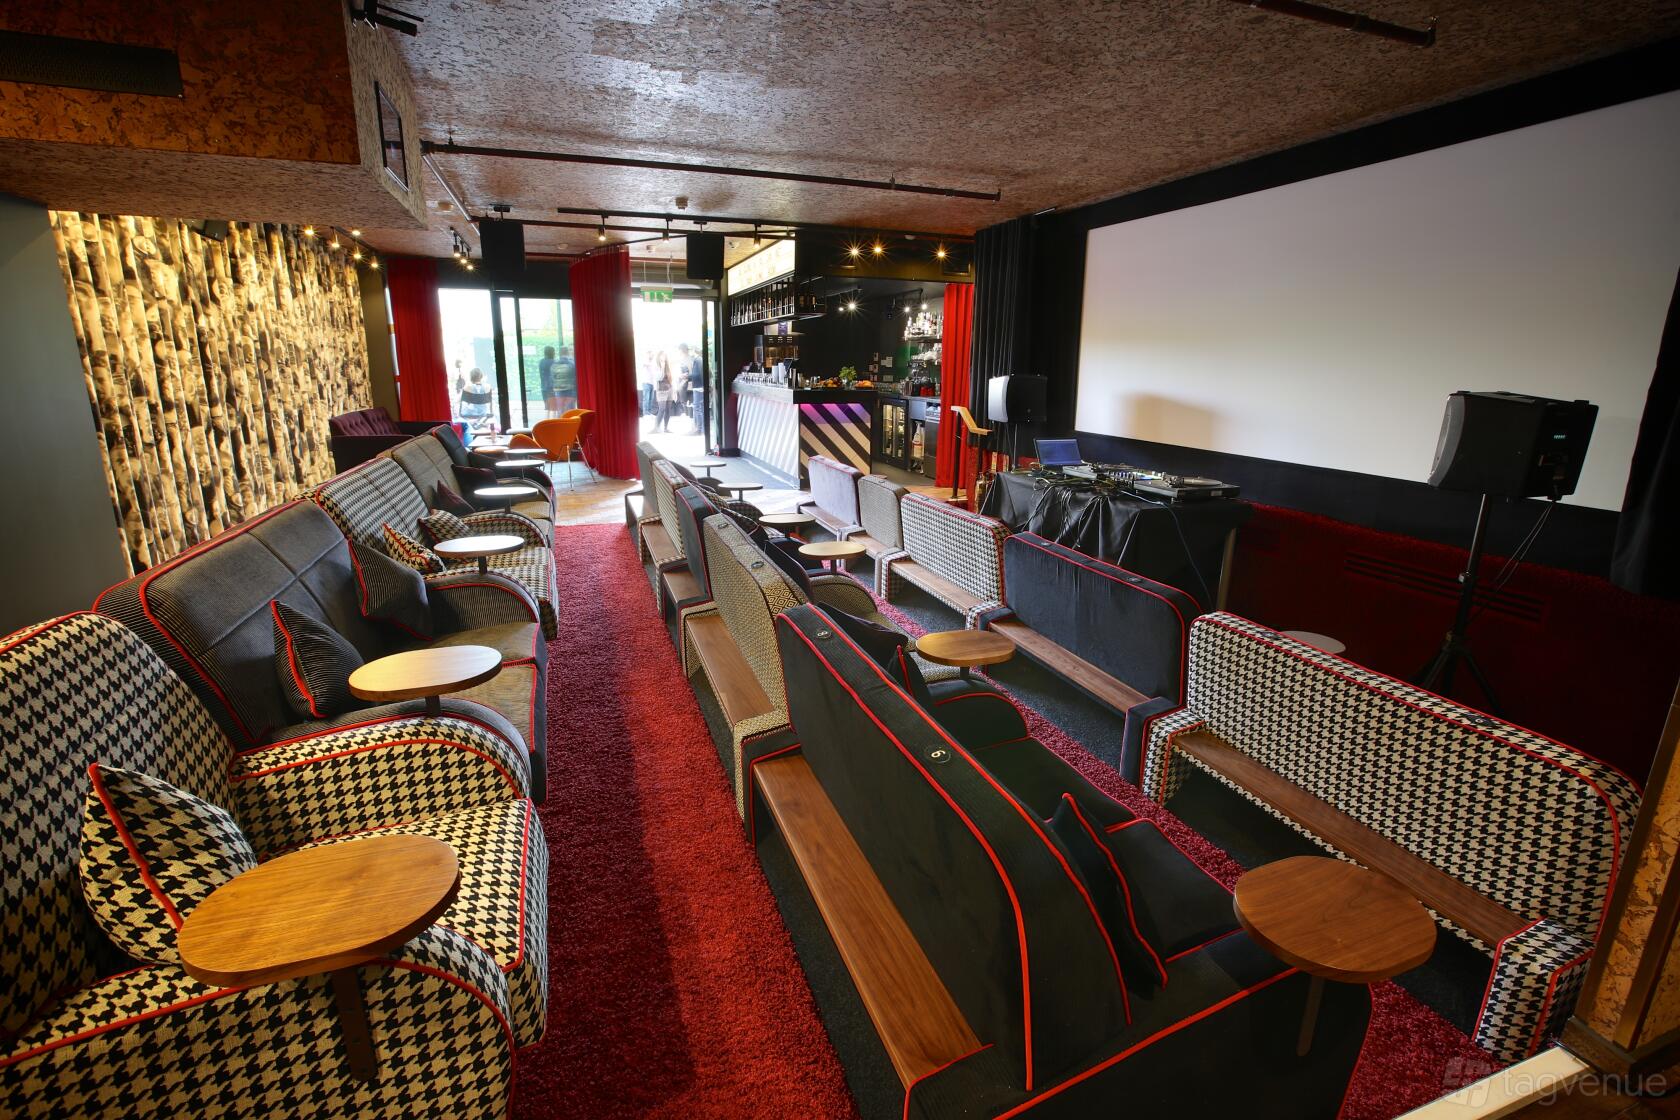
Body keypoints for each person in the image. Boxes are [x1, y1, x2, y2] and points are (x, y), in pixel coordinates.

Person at [654, 351, 674, 433]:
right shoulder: (657, 366)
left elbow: (671, 379)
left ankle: (666, 428)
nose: (663, 357)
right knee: (662, 409)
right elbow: (659, 378)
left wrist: (674, 390)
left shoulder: (668, 366)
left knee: (668, 410)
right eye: (662, 356)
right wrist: (662, 368)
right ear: (658, 357)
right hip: (661, 391)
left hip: (669, 389)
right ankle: (656, 427)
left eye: (664, 356)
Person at [554, 345, 578, 412]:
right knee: (570, 410)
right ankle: (570, 422)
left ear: (560, 353)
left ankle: (561, 421)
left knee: (560, 410)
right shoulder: (572, 363)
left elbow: (553, 377)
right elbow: (575, 376)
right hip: (570, 389)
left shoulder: (555, 363)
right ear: (567, 352)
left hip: (558, 390)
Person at [537, 346, 558, 417]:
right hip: (552, 387)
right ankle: (553, 423)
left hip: (543, 387)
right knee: (554, 408)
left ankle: (547, 421)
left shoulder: (541, 362)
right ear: (552, 353)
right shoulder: (554, 362)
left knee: (547, 407)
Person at [639, 350, 657, 418]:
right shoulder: (645, 361)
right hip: (646, 382)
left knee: (651, 399)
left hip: (652, 383)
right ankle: (645, 413)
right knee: (646, 398)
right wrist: (649, 362)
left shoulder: (653, 363)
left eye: (653, 355)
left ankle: (649, 412)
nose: (652, 356)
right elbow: (644, 364)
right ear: (648, 354)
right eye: (651, 354)